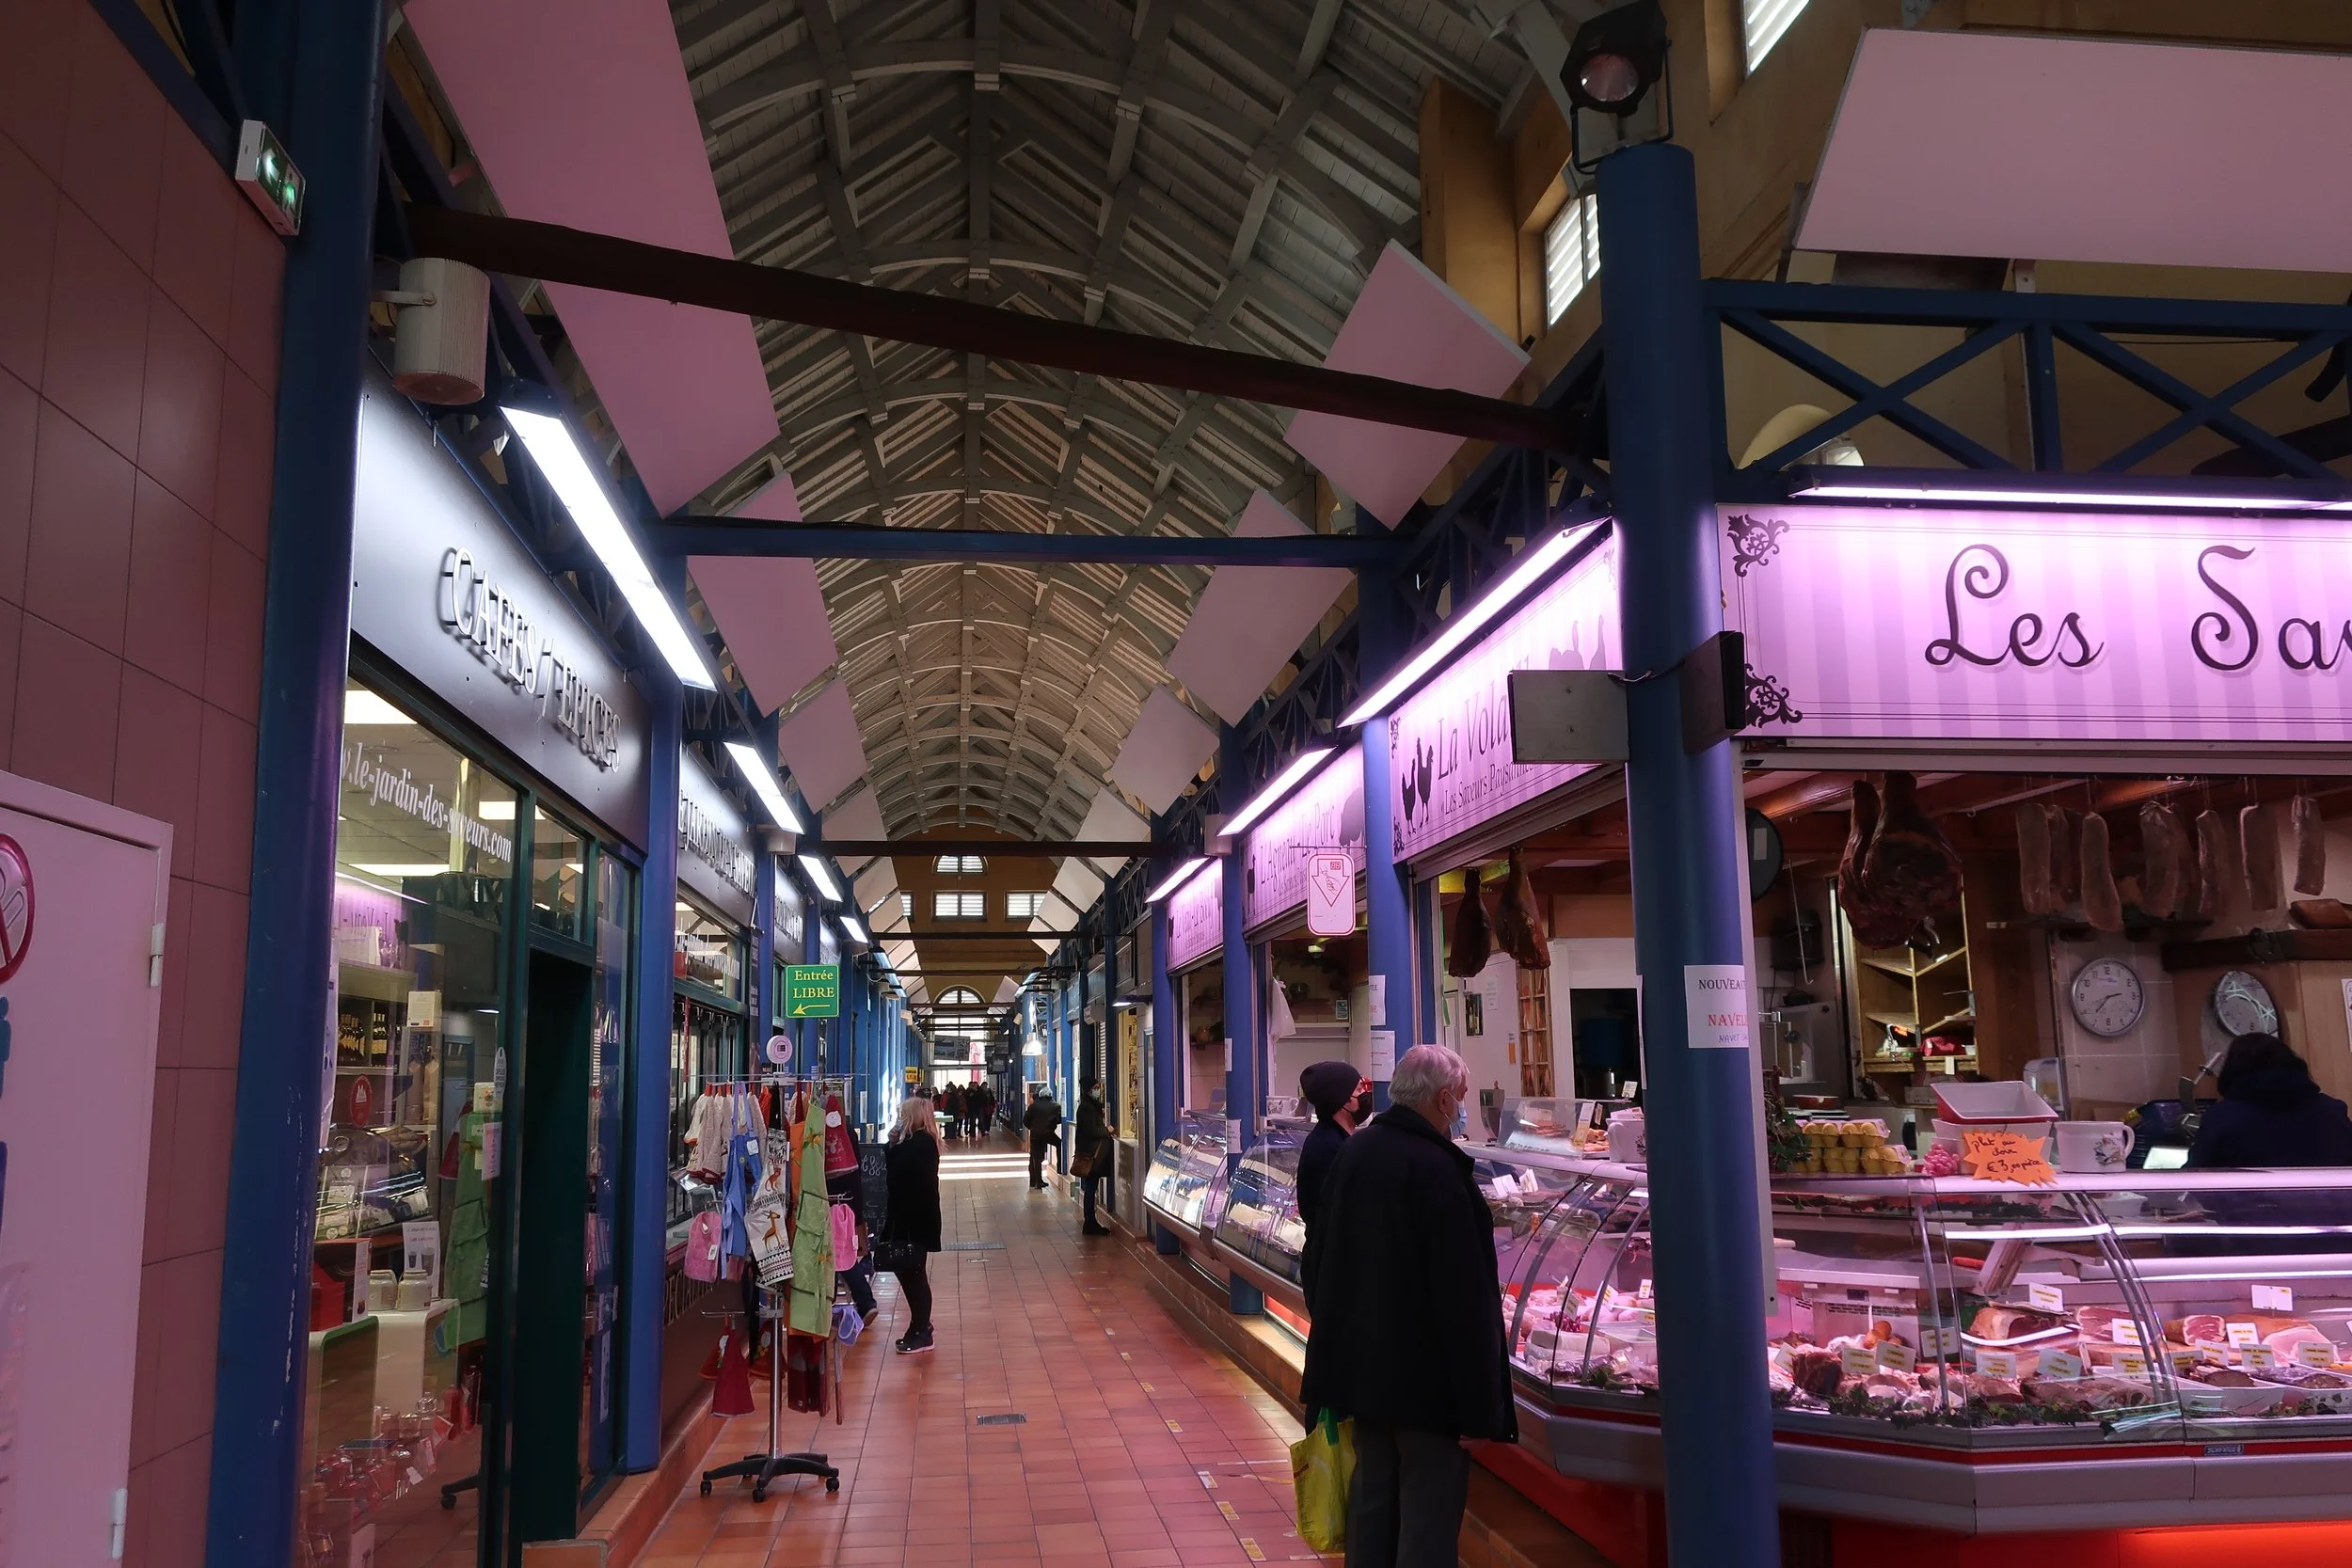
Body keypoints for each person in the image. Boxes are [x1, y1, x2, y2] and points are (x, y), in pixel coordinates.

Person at [1299, 1045, 1514, 1568]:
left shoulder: (1357, 1152)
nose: (1461, 1108)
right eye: (1461, 1097)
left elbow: (1322, 1255)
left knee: (1372, 1507)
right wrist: (1480, 1404)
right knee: (1427, 1521)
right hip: (1429, 1388)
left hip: (1364, 1377)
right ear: (1443, 1099)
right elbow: (1463, 1296)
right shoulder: (1438, 1170)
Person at [2187, 1032, 2352, 1167]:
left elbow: (2197, 1175)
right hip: (2332, 1204)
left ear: (2232, 1070)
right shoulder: (2332, 1110)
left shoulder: (2222, 1117)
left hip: (2247, 1206)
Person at [1295, 1060, 1368, 1302]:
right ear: (1344, 1101)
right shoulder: (1330, 1148)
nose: (1366, 1093)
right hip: (1333, 1272)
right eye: (1359, 1089)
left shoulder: (1334, 1140)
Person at [881, 1095, 944, 1354]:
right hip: (913, 1218)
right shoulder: (920, 1142)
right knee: (909, 1272)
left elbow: (895, 1172)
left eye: (903, 1115)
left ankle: (921, 1330)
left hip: (914, 1220)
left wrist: (891, 1144)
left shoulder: (920, 1144)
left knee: (913, 1273)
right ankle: (918, 1326)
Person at [1073, 1081, 1114, 1236]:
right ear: (1088, 1090)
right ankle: (1090, 1222)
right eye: (1095, 1088)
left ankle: (1090, 1221)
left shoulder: (1089, 1106)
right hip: (1091, 1155)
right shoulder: (1086, 1108)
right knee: (1090, 1188)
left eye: (1098, 1088)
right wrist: (1107, 1130)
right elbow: (1092, 1131)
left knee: (1091, 1188)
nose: (1098, 1091)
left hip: (1091, 1153)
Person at [1024, 1085, 1063, 1189]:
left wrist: (1032, 1128)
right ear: (1050, 1095)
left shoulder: (1033, 1106)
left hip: (1035, 1134)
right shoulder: (1056, 1106)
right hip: (1048, 1133)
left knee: (1036, 1157)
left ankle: (1037, 1182)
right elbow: (1059, 1120)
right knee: (1059, 1144)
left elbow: (1025, 1121)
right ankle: (1060, 1167)